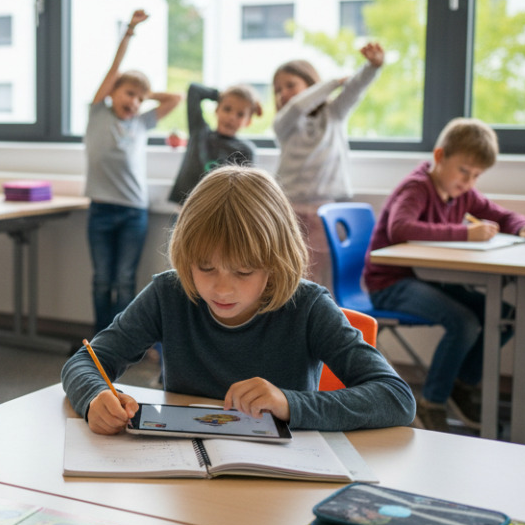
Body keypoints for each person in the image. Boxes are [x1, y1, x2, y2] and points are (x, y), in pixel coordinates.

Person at [62, 165, 416, 436]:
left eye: (243, 272)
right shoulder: (170, 293)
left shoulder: (307, 307)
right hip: (186, 475)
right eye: (206, 268)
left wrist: (290, 403)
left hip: (281, 480)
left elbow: (396, 398)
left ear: (275, 263)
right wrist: (94, 397)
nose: (222, 289)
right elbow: (85, 361)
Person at [363, 118, 525, 433]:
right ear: (439, 157)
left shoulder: (463, 194)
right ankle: (433, 401)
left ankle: (462, 385)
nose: (469, 181)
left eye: (476, 175)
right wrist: (466, 234)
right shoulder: (417, 187)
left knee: (504, 315)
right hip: (390, 283)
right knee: (464, 322)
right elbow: (400, 227)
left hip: (427, 280)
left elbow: (501, 215)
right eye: (464, 171)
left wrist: (524, 226)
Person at [84, 9, 181, 332]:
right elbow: (114, 71)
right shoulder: (99, 113)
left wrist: (144, 90)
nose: (135, 102)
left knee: (125, 281)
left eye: (140, 99)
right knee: (102, 279)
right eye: (129, 94)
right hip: (100, 209)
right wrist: (129, 32)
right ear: (111, 92)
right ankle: (99, 339)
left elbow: (176, 97)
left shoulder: (141, 122)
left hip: (133, 212)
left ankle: (120, 340)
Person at [273, 42, 385, 289]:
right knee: (289, 276)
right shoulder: (284, 124)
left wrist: (373, 67)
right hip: (290, 211)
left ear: (311, 84)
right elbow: (298, 106)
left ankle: (316, 324)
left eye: (290, 85)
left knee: (318, 281)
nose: (283, 93)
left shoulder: (333, 115)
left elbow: (355, 89)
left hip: (325, 212)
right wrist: (332, 83)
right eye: (278, 89)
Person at [168, 83, 261, 205]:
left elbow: (246, 191)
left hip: (217, 212)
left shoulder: (246, 150)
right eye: (227, 109)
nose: (232, 117)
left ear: (248, 121)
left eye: (240, 114)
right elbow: (194, 90)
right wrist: (223, 95)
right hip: (185, 208)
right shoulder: (199, 132)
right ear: (217, 109)